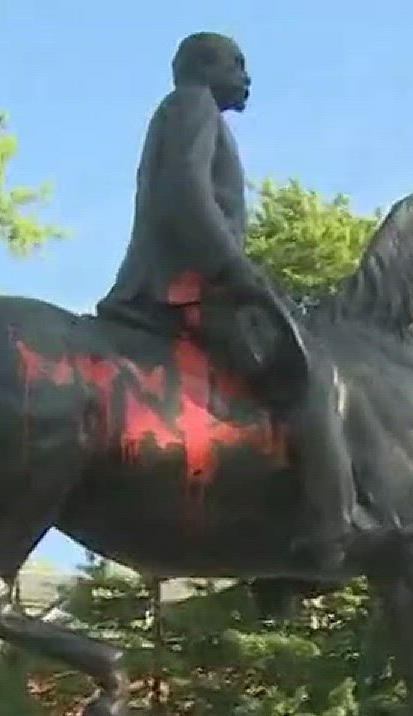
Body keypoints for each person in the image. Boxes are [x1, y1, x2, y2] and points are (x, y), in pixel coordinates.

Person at [97, 31, 357, 568]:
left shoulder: (187, 113)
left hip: (190, 278)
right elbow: (185, 193)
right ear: (203, 66)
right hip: (187, 285)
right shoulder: (192, 106)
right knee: (305, 376)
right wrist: (233, 269)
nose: (247, 76)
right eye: (236, 64)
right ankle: (328, 530)